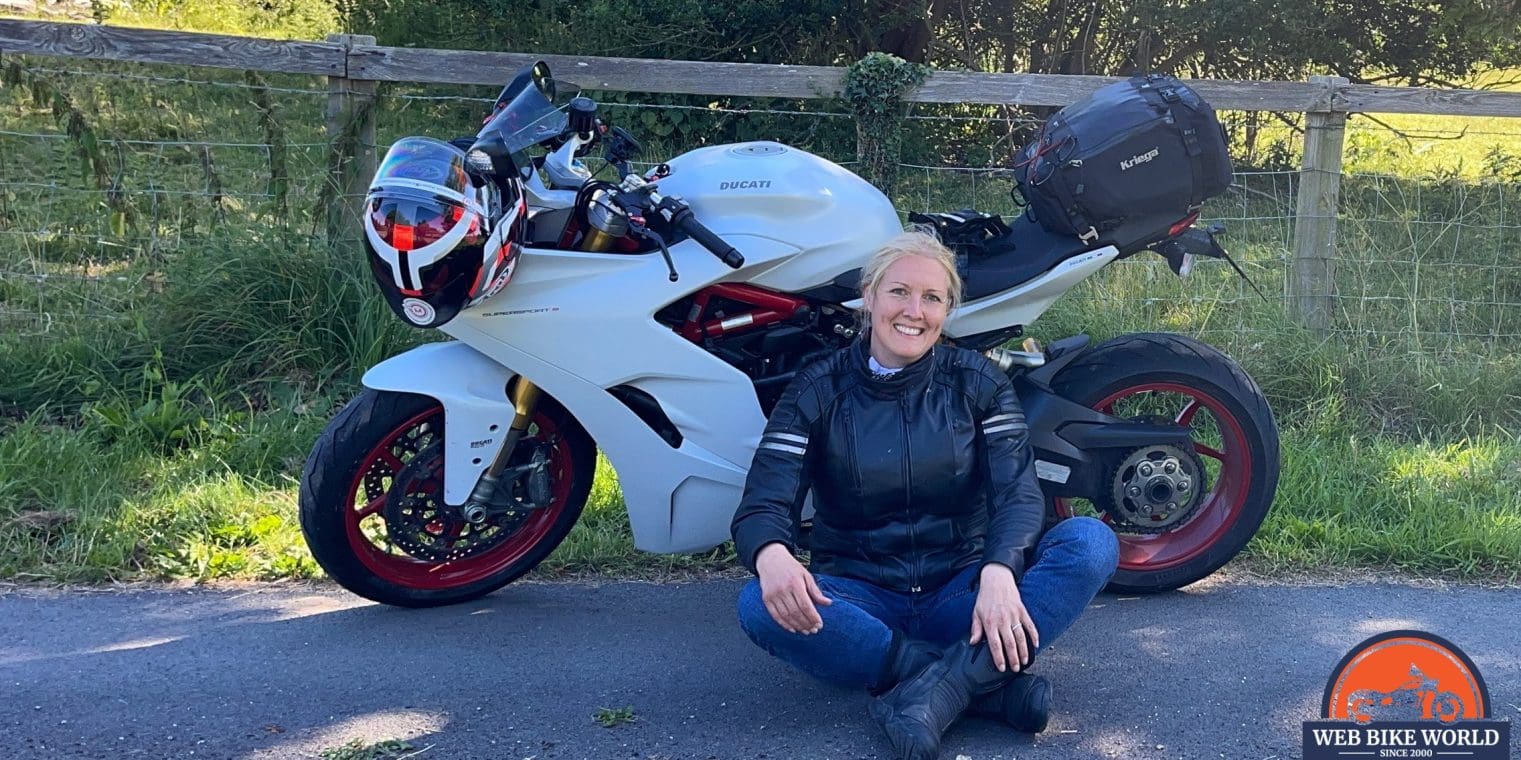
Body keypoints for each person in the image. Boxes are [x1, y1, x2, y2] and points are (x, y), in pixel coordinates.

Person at [730, 230, 1120, 760]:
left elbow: (1018, 494)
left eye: (932, 298)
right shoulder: (815, 388)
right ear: (868, 296)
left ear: (947, 310)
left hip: (964, 593)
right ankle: (973, 682)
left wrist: (1001, 572)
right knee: (758, 602)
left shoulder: (980, 382)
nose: (914, 311)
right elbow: (763, 500)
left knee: (1091, 542)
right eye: (898, 292)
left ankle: (933, 690)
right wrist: (771, 554)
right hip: (863, 605)